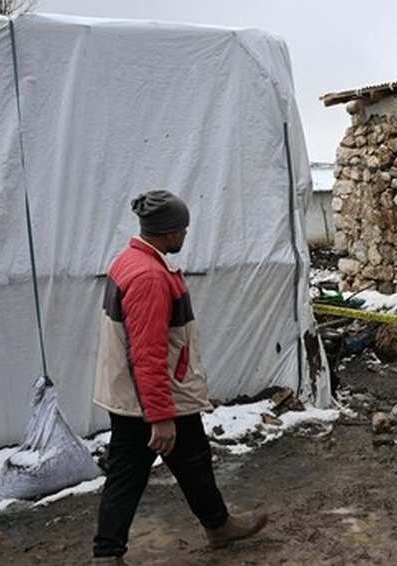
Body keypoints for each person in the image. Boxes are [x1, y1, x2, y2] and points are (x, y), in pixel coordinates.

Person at [92, 190, 267, 564]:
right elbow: (147, 352)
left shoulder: (131, 261)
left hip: (143, 392)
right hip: (155, 396)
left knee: (190, 462)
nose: (185, 235)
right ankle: (108, 553)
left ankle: (217, 525)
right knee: (133, 472)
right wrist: (159, 415)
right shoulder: (149, 277)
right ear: (168, 232)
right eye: (182, 229)